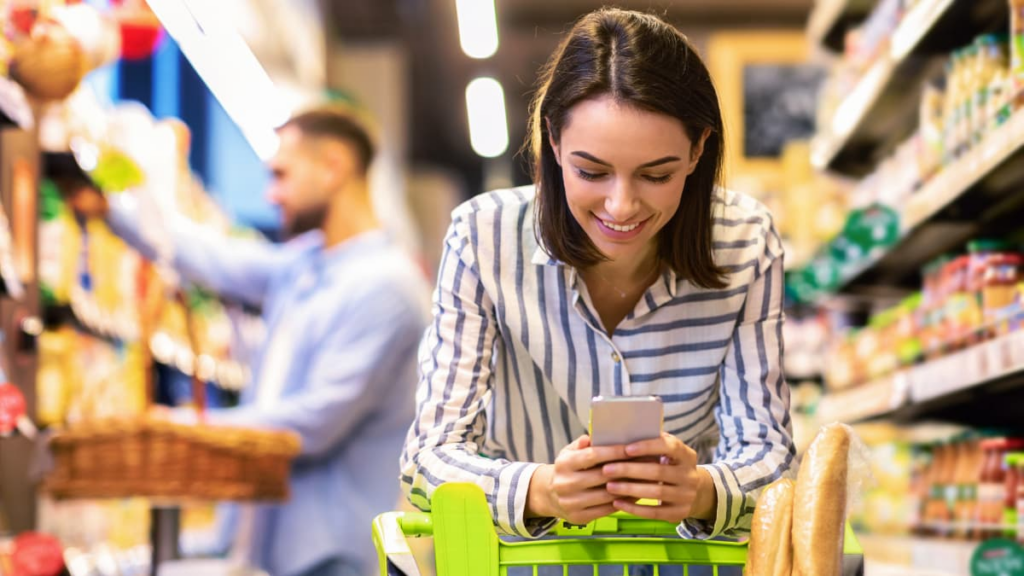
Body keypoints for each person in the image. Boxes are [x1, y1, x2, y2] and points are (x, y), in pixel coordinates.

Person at [401, 7, 794, 544]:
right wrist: (540, 488)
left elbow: (770, 455)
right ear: (554, 143)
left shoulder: (746, 244)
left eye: (656, 174)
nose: (621, 204)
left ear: (698, 150)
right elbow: (427, 459)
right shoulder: (482, 238)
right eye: (591, 171)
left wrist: (703, 490)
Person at [68, 106, 430, 576]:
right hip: (277, 551)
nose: (271, 194)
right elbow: (214, 258)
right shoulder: (306, 264)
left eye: (282, 173)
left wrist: (192, 428)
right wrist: (112, 208)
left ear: (334, 165)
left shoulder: (386, 287)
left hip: (335, 557)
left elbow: (315, 423)